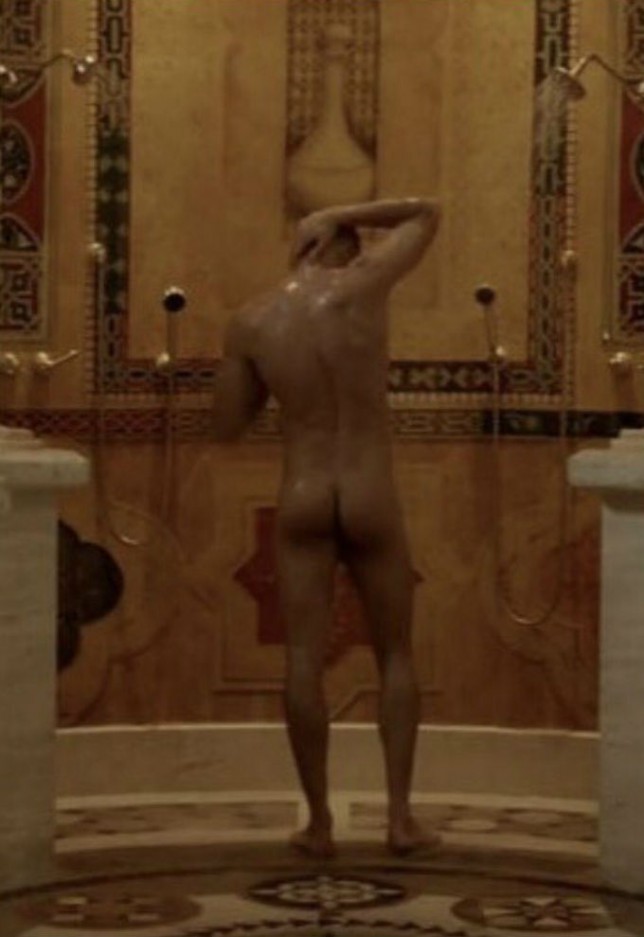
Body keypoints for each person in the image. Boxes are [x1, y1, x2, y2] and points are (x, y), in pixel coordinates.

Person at [213, 198, 441, 857]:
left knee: (302, 659)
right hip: (370, 492)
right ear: (332, 246)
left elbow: (227, 424)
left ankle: (318, 823)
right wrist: (341, 209)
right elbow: (427, 213)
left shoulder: (252, 320)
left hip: (304, 493)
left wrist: (269, 377)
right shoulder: (362, 288)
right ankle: (400, 820)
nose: (364, 247)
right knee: (396, 654)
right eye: (354, 238)